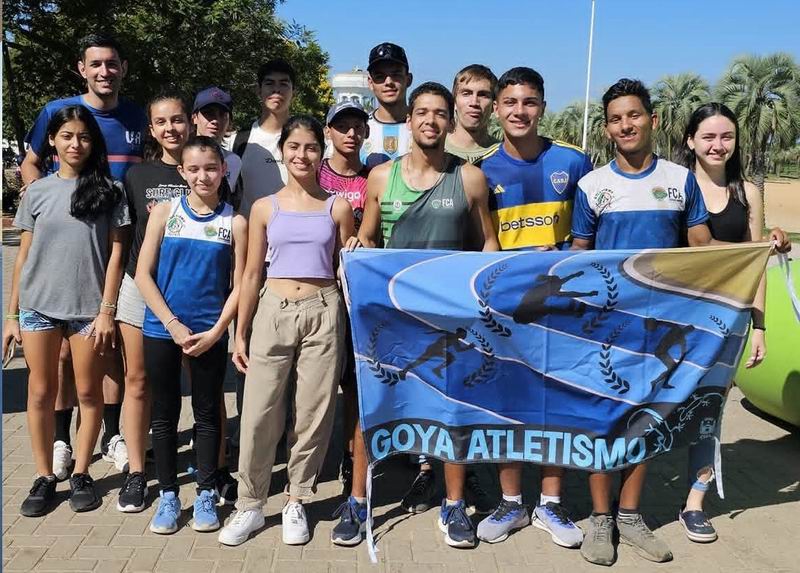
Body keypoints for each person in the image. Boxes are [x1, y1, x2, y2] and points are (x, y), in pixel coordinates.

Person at [570, 78, 716, 566]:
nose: (625, 125)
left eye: (633, 115)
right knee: (600, 423)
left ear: (652, 121)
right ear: (607, 127)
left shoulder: (680, 179)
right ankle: (599, 519)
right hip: (605, 328)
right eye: (615, 118)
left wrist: (762, 248)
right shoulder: (592, 185)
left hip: (662, 326)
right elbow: (579, 256)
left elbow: (701, 245)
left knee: (644, 422)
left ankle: (630, 516)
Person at [351, 82, 499, 549]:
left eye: (440, 113)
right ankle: (358, 501)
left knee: (451, 410)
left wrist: (483, 297)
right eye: (422, 113)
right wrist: (358, 245)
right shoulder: (381, 178)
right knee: (369, 406)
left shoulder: (469, 178)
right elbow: (369, 239)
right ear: (409, 121)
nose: (431, 121)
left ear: (449, 120)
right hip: (392, 319)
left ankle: (453, 505)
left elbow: (488, 243)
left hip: (451, 318)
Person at [217, 116, 354, 547]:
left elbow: (346, 267)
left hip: (323, 309)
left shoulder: (337, 207)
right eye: (294, 146)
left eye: (311, 147)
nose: (302, 155)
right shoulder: (264, 207)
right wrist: (240, 332)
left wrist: (356, 249)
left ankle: (297, 498)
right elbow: (252, 272)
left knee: (312, 414)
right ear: (283, 151)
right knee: (258, 413)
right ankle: (250, 504)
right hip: (272, 310)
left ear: (321, 152)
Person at [20, 34, 147, 479]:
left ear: (123, 68)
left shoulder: (136, 115)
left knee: (107, 350)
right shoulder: (57, 112)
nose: (104, 72)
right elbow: (31, 164)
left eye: (111, 64)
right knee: (57, 362)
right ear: (82, 68)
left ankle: (110, 435)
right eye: (95, 64)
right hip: (66, 246)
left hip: (117, 240)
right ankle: (58, 440)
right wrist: (47, 201)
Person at [476, 67, 593, 549]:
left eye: (529, 102)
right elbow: (474, 248)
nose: (519, 111)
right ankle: (511, 502)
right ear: (497, 109)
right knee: (509, 403)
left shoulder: (574, 162)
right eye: (510, 103)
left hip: (562, 311)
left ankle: (550, 503)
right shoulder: (481, 170)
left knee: (556, 405)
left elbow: (591, 240)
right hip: (505, 312)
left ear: (542, 106)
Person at [3, 105, 130, 516]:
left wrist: (107, 309)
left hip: (88, 311)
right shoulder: (38, 191)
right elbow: (23, 257)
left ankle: (81, 472)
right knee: (41, 392)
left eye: (84, 137)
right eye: (67, 136)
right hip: (39, 307)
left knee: (89, 393)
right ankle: (43, 475)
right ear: (53, 142)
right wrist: (11, 315)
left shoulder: (110, 190)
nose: (76, 144)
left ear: (93, 143)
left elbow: (116, 254)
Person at [674, 102, 790, 543]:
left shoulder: (748, 192)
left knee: (709, 414)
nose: (718, 145)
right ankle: (631, 502)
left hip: (727, 323)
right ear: (690, 141)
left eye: (726, 137)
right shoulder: (675, 187)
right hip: (676, 320)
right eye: (708, 137)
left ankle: (695, 502)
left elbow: (756, 261)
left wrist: (758, 326)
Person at [135, 136, 247, 534]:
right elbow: (143, 275)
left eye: (211, 168)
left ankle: (204, 491)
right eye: (194, 168)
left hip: (209, 334)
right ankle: (167, 494)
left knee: (206, 414)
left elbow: (240, 285)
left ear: (223, 171)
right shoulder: (165, 212)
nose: (203, 175)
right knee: (163, 415)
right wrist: (170, 322)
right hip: (162, 329)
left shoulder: (234, 221)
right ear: (182, 172)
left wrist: (219, 330)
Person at [115, 91, 191, 513]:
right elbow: (124, 239)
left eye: (177, 120)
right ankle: (135, 470)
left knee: (198, 382)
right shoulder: (137, 176)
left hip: (190, 290)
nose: (170, 129)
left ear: (190, 123)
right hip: (138, 287)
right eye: (161, 122)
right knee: (138, 381)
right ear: (151, 129)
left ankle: (211, 466)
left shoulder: (206, 169)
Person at [192, 85, 243, 503]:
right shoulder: (166, 162)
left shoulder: (237, 160)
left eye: (220, 114)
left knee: (212, 393)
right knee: (165, 391)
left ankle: (216, 466)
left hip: (220, 285)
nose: (213, 119)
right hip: (174, 290)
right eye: (206, 113)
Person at [230, 59, 293, 217]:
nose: (276, 90)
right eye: (270, 83)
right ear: (258, 90)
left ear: (294, 91)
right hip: (249, 237)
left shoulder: (306, 141)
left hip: (292, 236)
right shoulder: (237, 141)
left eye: (284, 84)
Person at [362, 42, 413, 169]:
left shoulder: (424, 126)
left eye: (396, 75)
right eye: (380, 76)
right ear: (370, 82)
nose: (388, 82)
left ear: (409, 79)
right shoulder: (359, 128)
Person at [445, 64, 500, 163]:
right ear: (454, 101)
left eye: (483, 95)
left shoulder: (504, 155)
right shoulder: (435, 149)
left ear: (494, 105)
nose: (474, 102)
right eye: (466, 93)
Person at [192, 86, 242, 187]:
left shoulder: (233, 161)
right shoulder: (179, 156)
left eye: (222, 114)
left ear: (229, 121)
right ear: (194, 118)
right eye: (208, 113)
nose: (215, 120)